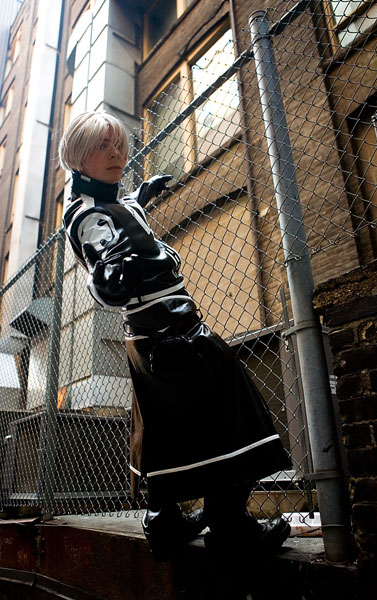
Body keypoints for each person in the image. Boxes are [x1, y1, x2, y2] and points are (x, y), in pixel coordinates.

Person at [59, 110, 291, 562]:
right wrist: (116, 273)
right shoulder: (89, 215)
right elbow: (104, 268)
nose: (117, 153)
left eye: (119, 144)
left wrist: (144, 194)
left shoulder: (108, 202)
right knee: (231, 413)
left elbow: (124, 215)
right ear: (79, 156)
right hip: (167, 332)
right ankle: (229, 527)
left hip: (157, 335)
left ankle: (164, 522)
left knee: (166, 427)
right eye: (103, 146)